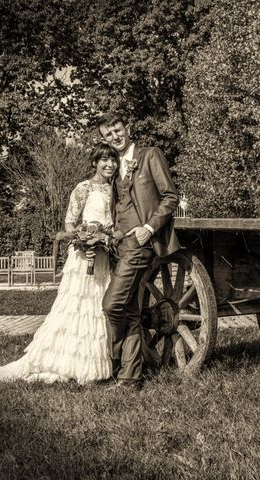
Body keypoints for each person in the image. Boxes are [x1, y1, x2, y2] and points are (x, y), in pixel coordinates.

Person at [0, 143, 119, 384]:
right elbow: (69, 223)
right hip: (83, 258)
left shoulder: (118, 190)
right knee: (78, 307)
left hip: (105, 257)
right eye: (104, 160)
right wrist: (84, 238)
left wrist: (105, 239)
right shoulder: (83, 188)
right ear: (94, 163)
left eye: (113, 160)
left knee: (101, 305)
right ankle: (70, 362)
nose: (110, 165)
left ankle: (102, 362)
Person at [97, 112, 180, 390]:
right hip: (120, 245)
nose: (115, 137)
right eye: (108, 135)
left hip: (141, 244)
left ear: (127, 128)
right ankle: (130, 379)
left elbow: (170, 196)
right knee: (131, 310)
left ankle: (114, 359)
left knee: (111, 305)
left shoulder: (149, 155)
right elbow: (119, 206)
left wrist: (149, 227)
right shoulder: (114, 166)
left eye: (117, 130)